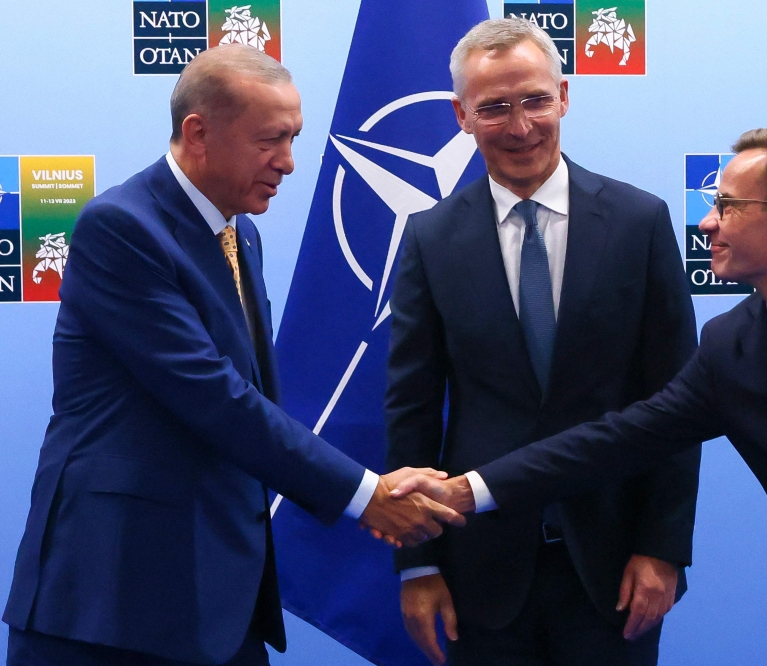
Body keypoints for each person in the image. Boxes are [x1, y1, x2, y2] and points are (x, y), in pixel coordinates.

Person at [394, 128, 767, 666]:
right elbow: (615, 440)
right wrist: (466, 491)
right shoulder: (730, 348)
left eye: (727, 206)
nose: (707, 222)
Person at [2, 45, 463, 666]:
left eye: (294, 138)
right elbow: (216, 398)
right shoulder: (122, 228)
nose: (290, 163)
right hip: (111, 601)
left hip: (217, 598)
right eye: (271, 140)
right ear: (199, 132)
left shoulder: (239, 232)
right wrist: (365, 494)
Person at [383, 18, 701, 666]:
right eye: (494, 107)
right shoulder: (429, 238)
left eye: (533, 100)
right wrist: (416, 566)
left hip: (616, 569)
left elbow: (678, 403)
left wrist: (664, 547)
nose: (521, 126)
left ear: (564, 95)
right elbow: (411, 411)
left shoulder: (640, 222)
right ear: (461, 116)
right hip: (480, 572)